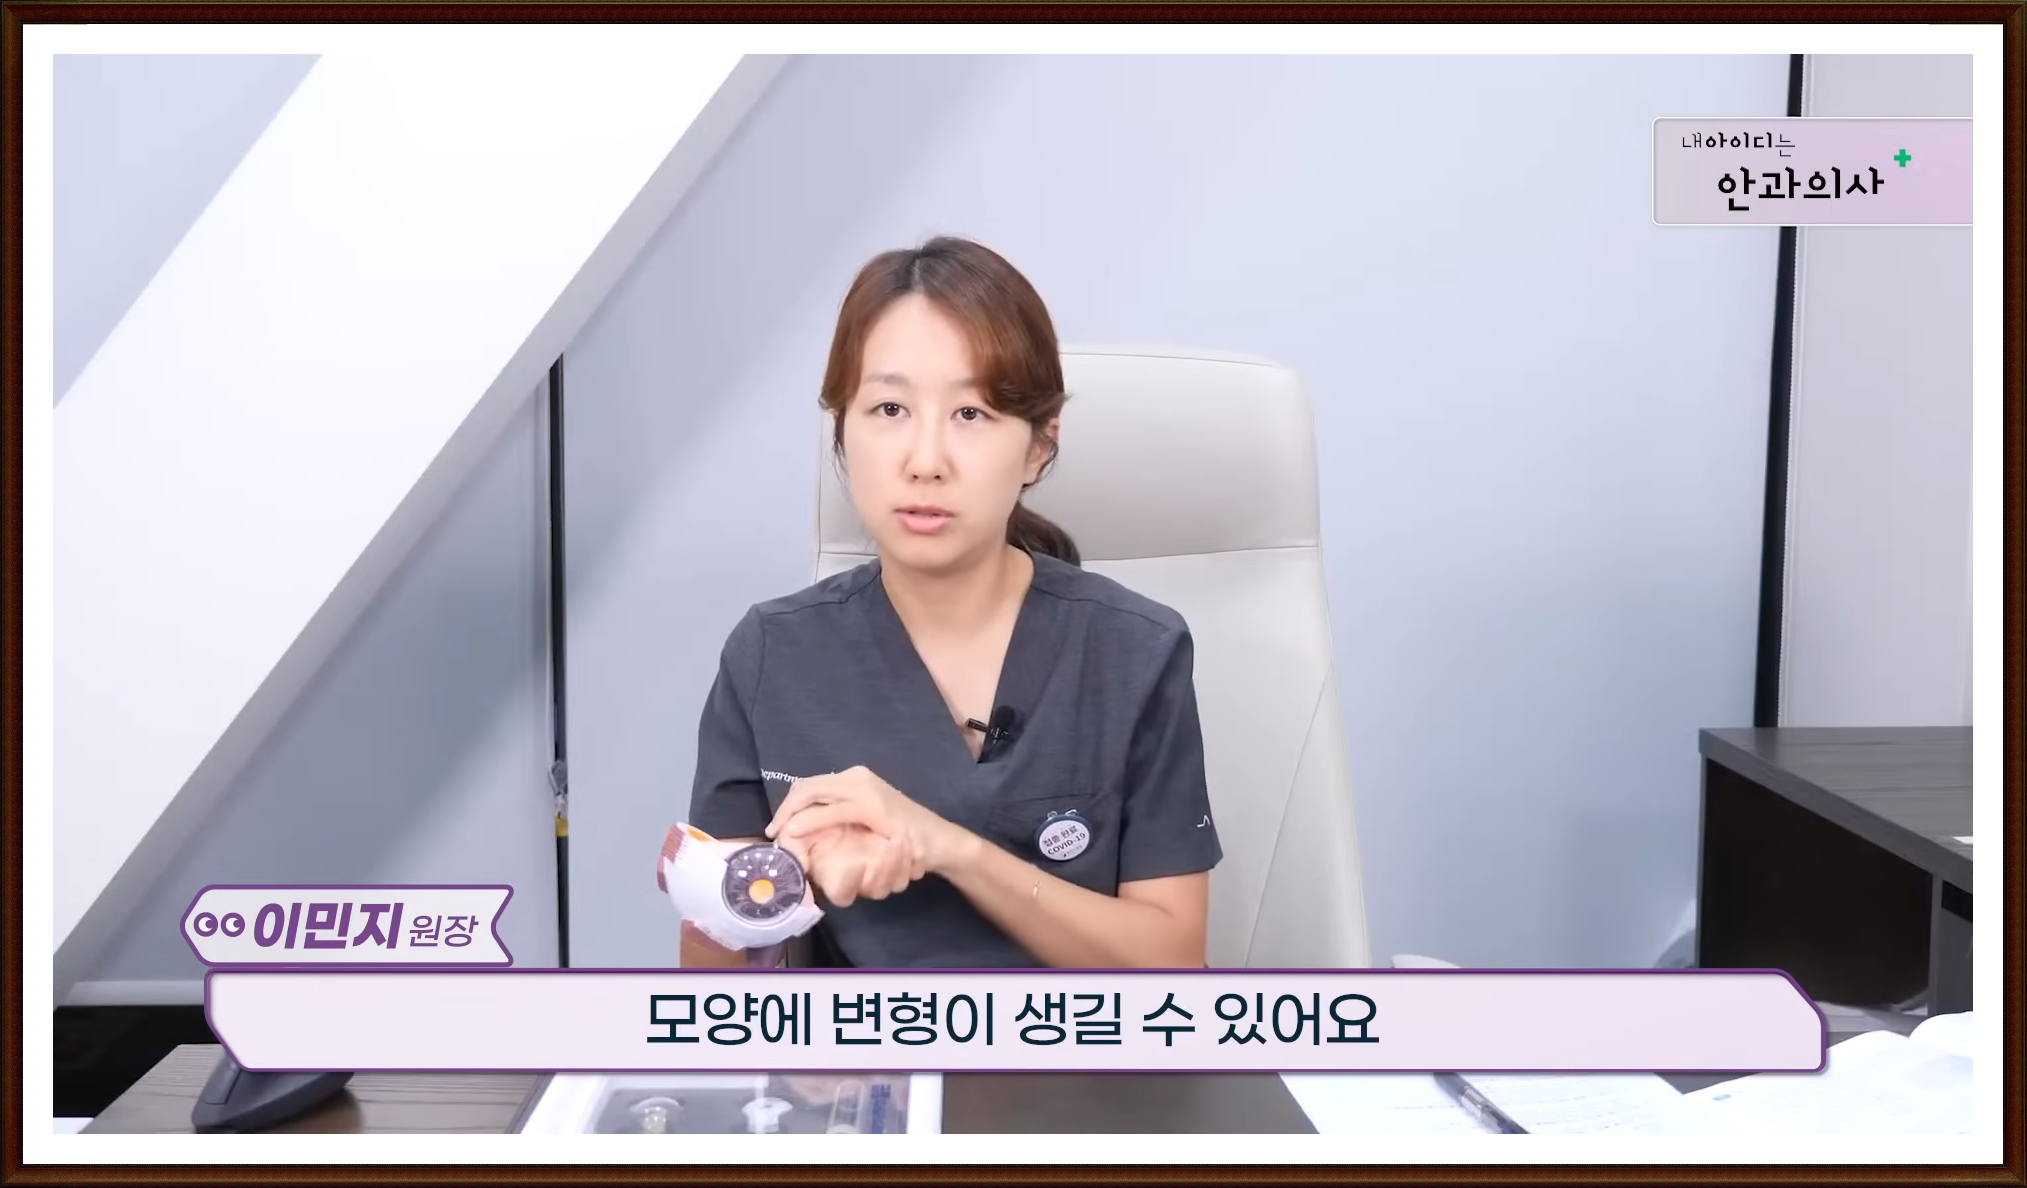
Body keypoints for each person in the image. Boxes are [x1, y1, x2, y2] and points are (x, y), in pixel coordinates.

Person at [679, 236, 1222, 970]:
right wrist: (790, 878)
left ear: (1038, 446)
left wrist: (950, 848)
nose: (925, 461)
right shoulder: (773, 653)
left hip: (1078, 1045)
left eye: (970, 413)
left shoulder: (1134, 650)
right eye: (889, 408)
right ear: (842, 429)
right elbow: (710, 983)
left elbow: (1172, 961)